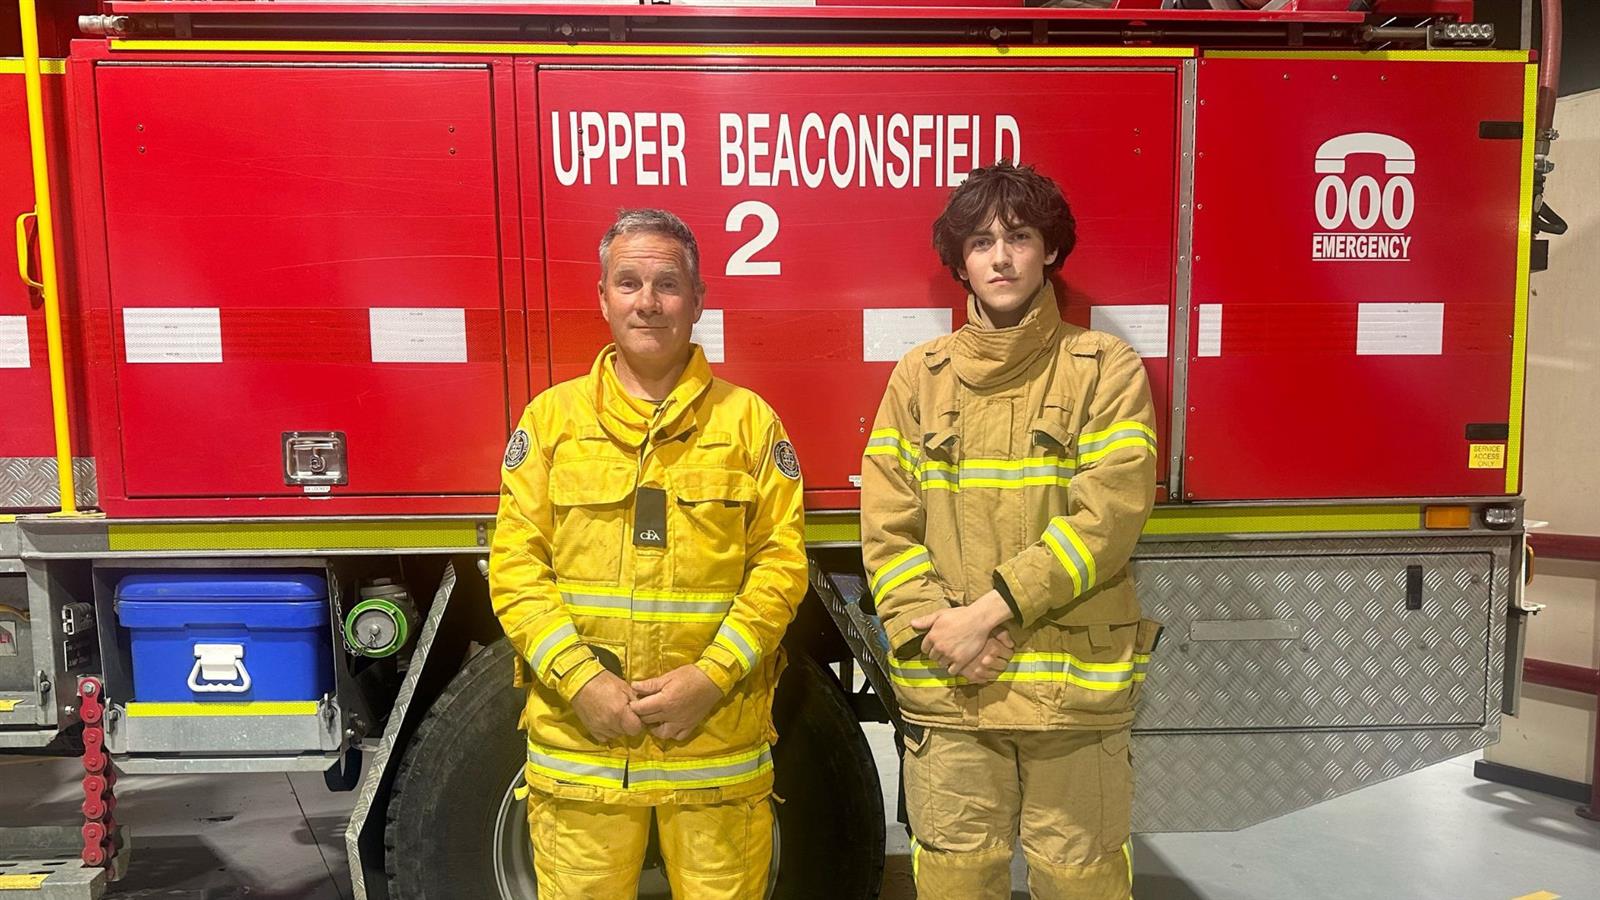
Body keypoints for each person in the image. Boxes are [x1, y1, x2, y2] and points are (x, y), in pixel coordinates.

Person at [861, 161, 1160, 899]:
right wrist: (938, 631)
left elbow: (1109, 518)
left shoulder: (1104, 368)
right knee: (957, 883)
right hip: (956, 696)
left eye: (1019, 237)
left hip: (1071, 704)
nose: (1001, 256)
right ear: (958, 261)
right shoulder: (918, 377)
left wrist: (984, 617)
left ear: (1050, 250)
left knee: (1082, 883)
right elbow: (886, 527)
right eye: (982, 241)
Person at [490, 208, 807, 899]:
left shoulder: (750, 424)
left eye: (667, 284)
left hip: (714, 754)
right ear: (602, 298)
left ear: (697, 301)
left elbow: (781, 568)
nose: (647, 301)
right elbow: (516, 570)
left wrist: (712, 678)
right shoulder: (551, 423)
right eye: (627, 282)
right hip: (585, 754)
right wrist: (580, 681)